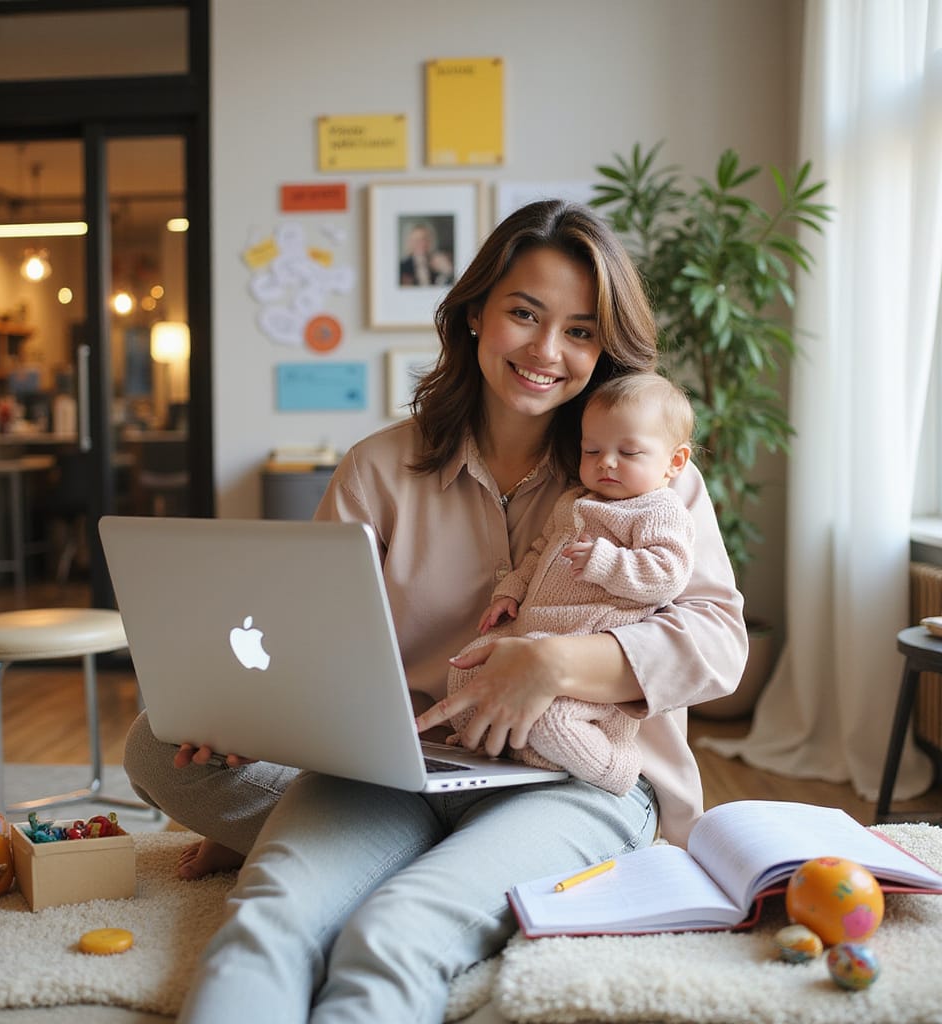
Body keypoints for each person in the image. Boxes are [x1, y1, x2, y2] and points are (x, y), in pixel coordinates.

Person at [122, 199, 747, 1022]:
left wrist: (553, 664)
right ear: (476, 311)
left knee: (396, 928)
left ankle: (401, 864)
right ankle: (373, 851)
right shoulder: (378, 469)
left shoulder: (646, 473)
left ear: (605, 348)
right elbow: (308, 641)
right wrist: (252, 717)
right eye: (525, 313)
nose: (547, 351)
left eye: (581, 331)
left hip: (570, 778)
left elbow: (716, 641)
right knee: (261, 904)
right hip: (400, 770)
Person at [447, 371, 695, 796]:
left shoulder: (657, 508)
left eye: (629, 452)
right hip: (530, 633)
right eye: (592, 450)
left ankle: (613, 768)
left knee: (553, 721)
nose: (606, 463)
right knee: (464, 671)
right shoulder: (575, 501)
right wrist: (511, 591)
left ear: (674, 462)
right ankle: (508, 748)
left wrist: (605, 561)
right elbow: (540, 551)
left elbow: (668, 573)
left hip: (584, 658)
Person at [399, 220, 454, 287]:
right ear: (409, 242)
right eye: (416, 240)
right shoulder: (402, 267)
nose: (421, 243)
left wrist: (448, 271)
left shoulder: (439, 262)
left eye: (425, 239)